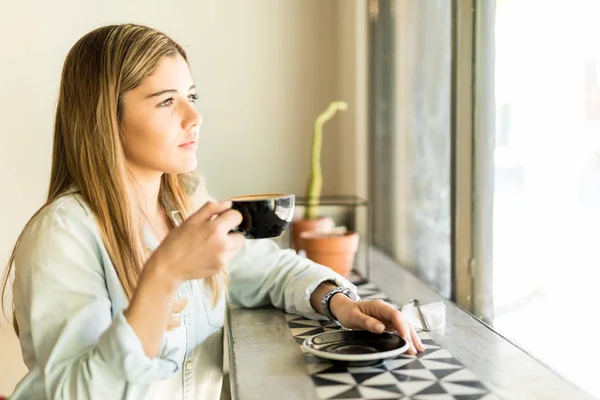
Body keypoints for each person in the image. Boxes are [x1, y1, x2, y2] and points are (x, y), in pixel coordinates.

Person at [0, 24, 423, 400]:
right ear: (105, 118)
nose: (195, 116)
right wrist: (164, 277)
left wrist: (339, 303)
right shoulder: (62, 235)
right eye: (167, 101)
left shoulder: (185, 208)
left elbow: (270, 271)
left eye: (191, 95)